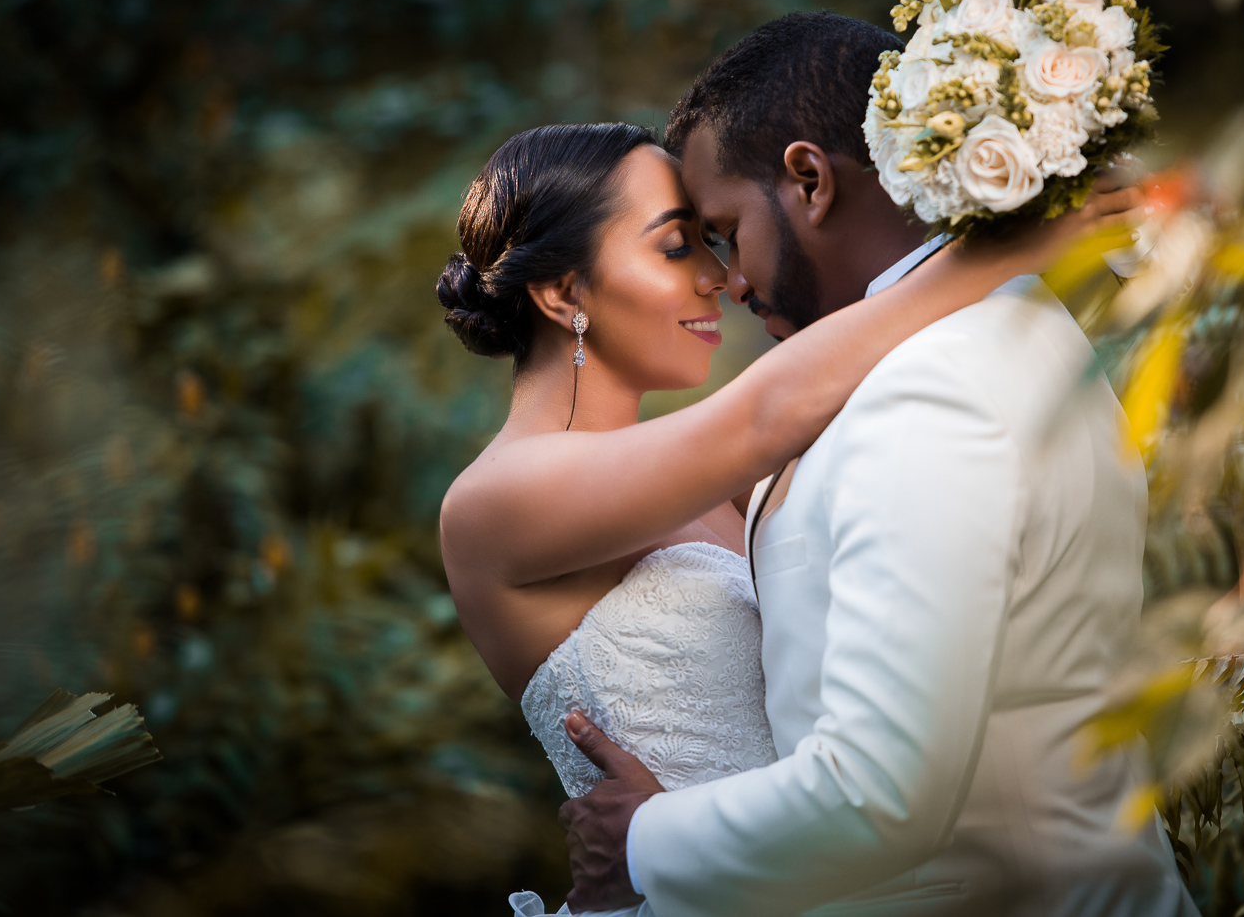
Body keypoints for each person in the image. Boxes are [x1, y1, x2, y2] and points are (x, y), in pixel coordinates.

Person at [552, 12, 1200, 917]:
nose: (729, 281)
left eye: (727, 231)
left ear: (810, 181)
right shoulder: (1003, 325)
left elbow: (878, 788)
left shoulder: (933, 387)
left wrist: (644, 838)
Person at [434, 112, 1143, 916]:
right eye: (678, 245)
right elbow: (765, 412)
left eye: (713, 239)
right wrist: (1009, 245)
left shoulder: (719, 485)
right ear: (564, 293)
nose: (719, 276)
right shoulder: (493, 503)